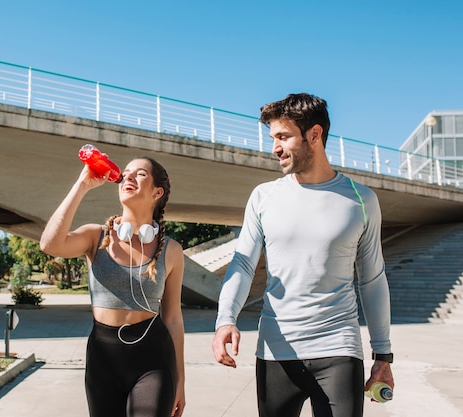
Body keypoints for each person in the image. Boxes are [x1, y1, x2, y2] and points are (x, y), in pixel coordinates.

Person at [211, 93, 394, 417]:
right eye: (273, 138)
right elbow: (243, 263)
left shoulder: (361, 200)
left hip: (339, 349)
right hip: (275, 352)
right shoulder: (264, 197)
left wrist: (383, 355)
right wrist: (226, 318)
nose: (274, 148)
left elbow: (372, 279)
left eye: (283, 137)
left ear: (314, 134)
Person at [40, 155, 186, 417]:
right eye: (126, 172)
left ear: (157, 192)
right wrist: (82, 184)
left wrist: (181, 382)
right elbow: (50, 245)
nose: (128, 177)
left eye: (140, 174)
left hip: (153, 359)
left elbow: (173, 319)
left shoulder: (172, 251)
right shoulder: (96, 236)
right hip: (102, 359)